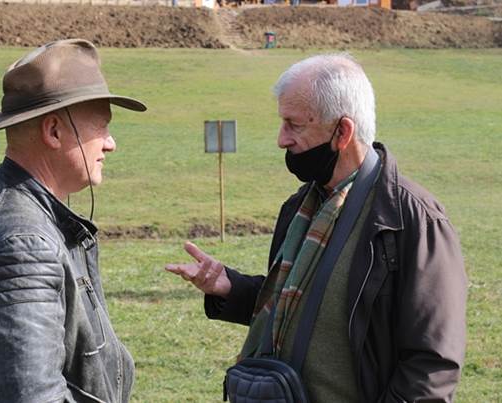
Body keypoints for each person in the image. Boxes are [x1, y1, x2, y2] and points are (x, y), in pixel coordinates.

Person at [166, 54, 467, 402]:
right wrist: (231, 288)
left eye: (293, 125)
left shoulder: (413, 219)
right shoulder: (300, 207)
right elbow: (301, 306)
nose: (281, 139)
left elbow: (433, 364)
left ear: (342, 132)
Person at [0, 39, 146, 402]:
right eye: (100, 127)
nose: (110, 143)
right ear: (53, 131)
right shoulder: (20, 243)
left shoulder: (17, 213)